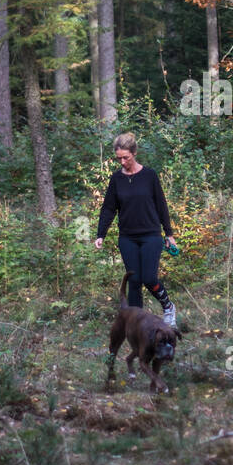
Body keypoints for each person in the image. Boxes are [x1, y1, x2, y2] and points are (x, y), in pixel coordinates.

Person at [94, 132, 177, 325]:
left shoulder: (149, 175)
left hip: (151, 235)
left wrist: (169, 234)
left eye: (126, 157)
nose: (122, 162)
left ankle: (168, 307)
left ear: (134, 153)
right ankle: (137, 325)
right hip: (127, 238)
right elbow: (108, 208)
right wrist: (101, 234)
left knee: (148, 277)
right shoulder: (116, 179)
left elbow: (161, 205)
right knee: (134, 280)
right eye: (119, 158)